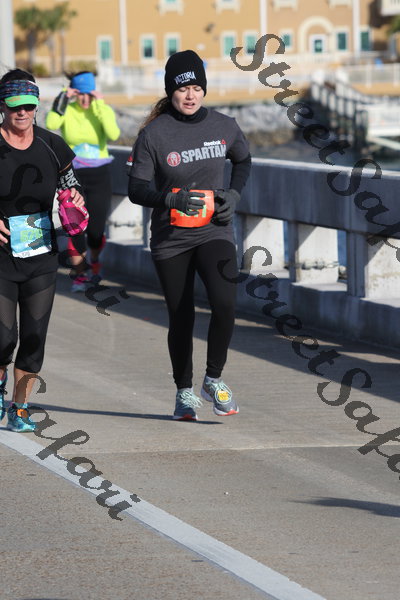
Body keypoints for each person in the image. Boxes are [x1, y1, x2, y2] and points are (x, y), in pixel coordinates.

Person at [127, 50, 251, 420]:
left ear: (204, 89)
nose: (190, 95)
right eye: (183, 89)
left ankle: (213, 379)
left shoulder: (224, 126)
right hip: (172, 239)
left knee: (225, 303)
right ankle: (184, 392)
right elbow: (136, 189)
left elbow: (243, 160)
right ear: (171, 92)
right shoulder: (154, 134)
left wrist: (233, 194)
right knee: (181, 316)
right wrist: (170, 199)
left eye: (196, 87)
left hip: (214, 231)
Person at [0, 68, 85, 432]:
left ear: (36, 105)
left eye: (28, 105)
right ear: (2, 106)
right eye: (14, 105)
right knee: (3, 339)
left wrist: (76, 200)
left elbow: (71, 188)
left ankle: (19, 407)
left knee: (34, 339)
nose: (22, 112)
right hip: (1, 259)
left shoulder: (53, 145)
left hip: (40, 255)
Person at [46, 71, 120, 291]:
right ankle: (80, 274)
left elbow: (113, 135)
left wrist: (100, 105)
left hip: (99, 175)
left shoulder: (101, 109)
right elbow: (51, 122)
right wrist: (63, 96)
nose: (85, 99)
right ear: (74, 93)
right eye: (81, 94)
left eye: (89, 94)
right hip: (73, 176)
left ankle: (94, 261)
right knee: (75, 227)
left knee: (96, 232)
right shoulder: (68, 110)